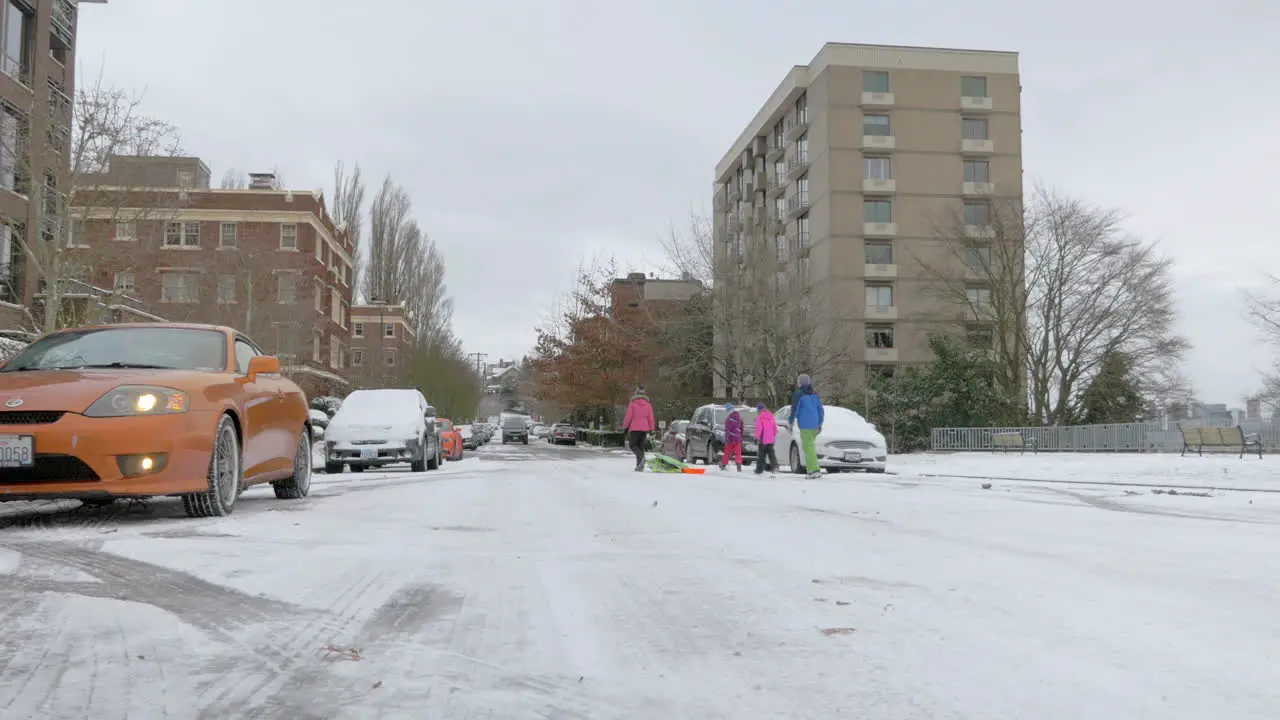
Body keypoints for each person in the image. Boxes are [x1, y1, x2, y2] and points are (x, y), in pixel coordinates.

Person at [788, 374, 824, 479]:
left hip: (805, 425)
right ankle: (814, 468)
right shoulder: (814, 395)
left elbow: (794, 409)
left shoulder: (798, 394)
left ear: (800, 383)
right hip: (814, 424)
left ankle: (813, 470)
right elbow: (820, 410)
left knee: (808, 447)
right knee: (810, 446)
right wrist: (820, 423)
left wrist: (791, 421)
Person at [621, 385, 656, 471]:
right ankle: (640, 466)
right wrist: (652, 429)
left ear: (636, 393)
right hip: (644, 429)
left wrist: (625, 427)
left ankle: (641, 458)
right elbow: (651, 418)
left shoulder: (632, 404)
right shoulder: (648, 405)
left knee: (633, 445)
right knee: (640, 446)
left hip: (634, 428)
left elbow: (628, 417)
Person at [754, 402, 778, 476]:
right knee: (771, 454)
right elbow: (775, 429)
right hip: (771, 440)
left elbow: (759, 429)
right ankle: (774, 466)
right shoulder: (771, 416)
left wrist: (756, 438)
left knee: (761, 455)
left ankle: (759, 470)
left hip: (763, 439)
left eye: (757, 410)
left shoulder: (759, 417)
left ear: (759, 410)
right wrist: (773, 436)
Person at [719, 402, 744, 471]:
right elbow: (741, 428)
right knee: (738, 453)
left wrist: (726, 438)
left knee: (727, 452)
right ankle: (739, 466)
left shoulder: (728, 419)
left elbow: (728, 430)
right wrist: (740, 437)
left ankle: (723, 465)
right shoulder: (739, 418)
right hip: (738, 439)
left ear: (728, 410)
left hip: (730, 439)